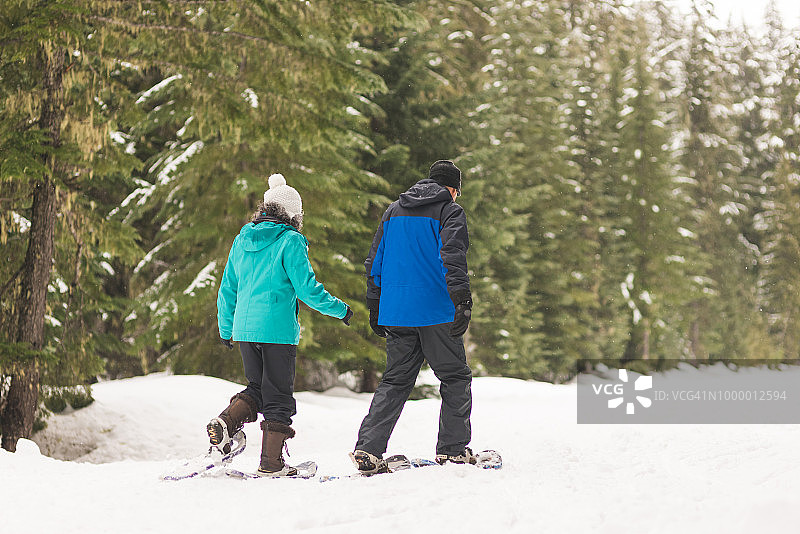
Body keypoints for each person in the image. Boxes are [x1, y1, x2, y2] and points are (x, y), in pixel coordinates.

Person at [210, 173, 353, 477]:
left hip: (246, 331)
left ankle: (226, 421)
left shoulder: (242, 238)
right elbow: (307, 289)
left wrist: (226, 329)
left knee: (258, 389)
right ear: (292, 214)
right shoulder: (291, 240)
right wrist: (341, 310)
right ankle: (271, 463)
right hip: (276, 331)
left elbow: (228, 289)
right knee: (279, 398)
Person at [351, 160, 475, 474]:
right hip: (435, 311)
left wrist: (375, 303)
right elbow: (453, 256)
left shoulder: (393, 211)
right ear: (452, 188)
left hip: (397, 311)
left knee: (394, 381)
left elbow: (375, 260)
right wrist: (462, 300)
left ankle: (368, 447)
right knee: (455, 377)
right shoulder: (449, 211)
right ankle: (452, 450)